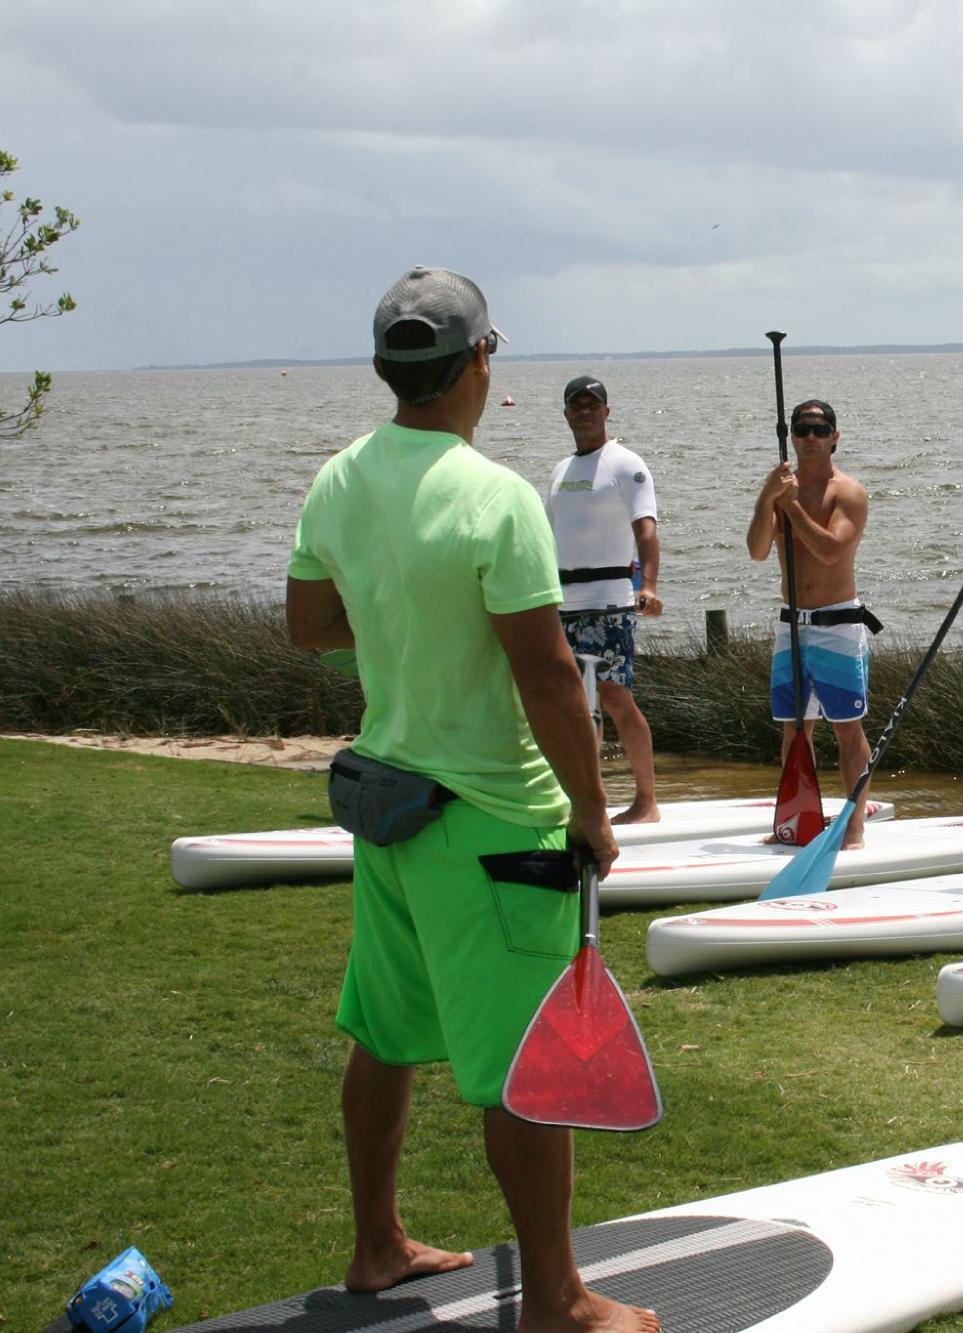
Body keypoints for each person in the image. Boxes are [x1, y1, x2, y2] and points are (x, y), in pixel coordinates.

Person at [286, 267, 657, 1333]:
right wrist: (593, 810)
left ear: (384, 369)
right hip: (498, 824)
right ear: (481, 360)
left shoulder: (338, 479)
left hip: (388, 810)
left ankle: (374, 1245)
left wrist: (412, 615)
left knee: (387, 1035)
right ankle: (556, 1300)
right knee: (524, 1064)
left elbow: (311, 623)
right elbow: (548, 674)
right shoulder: (495, 495)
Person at [746, 398, 876, 848]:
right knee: (794, 727)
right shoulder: (780, 489)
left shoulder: (848, 492)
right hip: (792, 625)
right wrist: (769, 498)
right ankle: (795, 821)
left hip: (838, 625)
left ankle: (853, 827)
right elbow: (757, 549)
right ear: (793, 435)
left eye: (821, 430)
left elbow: (829, 550)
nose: (811, 438)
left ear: (835, 437)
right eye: (802, 429)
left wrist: (793, 506)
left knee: (847, 729)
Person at [545, 374, 663, 825]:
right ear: (567, 413)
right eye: (577, 404)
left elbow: (646, 529)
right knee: (574, 705)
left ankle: (646, 800)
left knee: (615, 698)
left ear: (607, 411)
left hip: (610, 603)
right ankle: (584, 801)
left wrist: (647, 586)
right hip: (563, 605)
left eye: (593, 404)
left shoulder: (625, 464)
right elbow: (547, 537)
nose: (585, 410)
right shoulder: (560, 471)